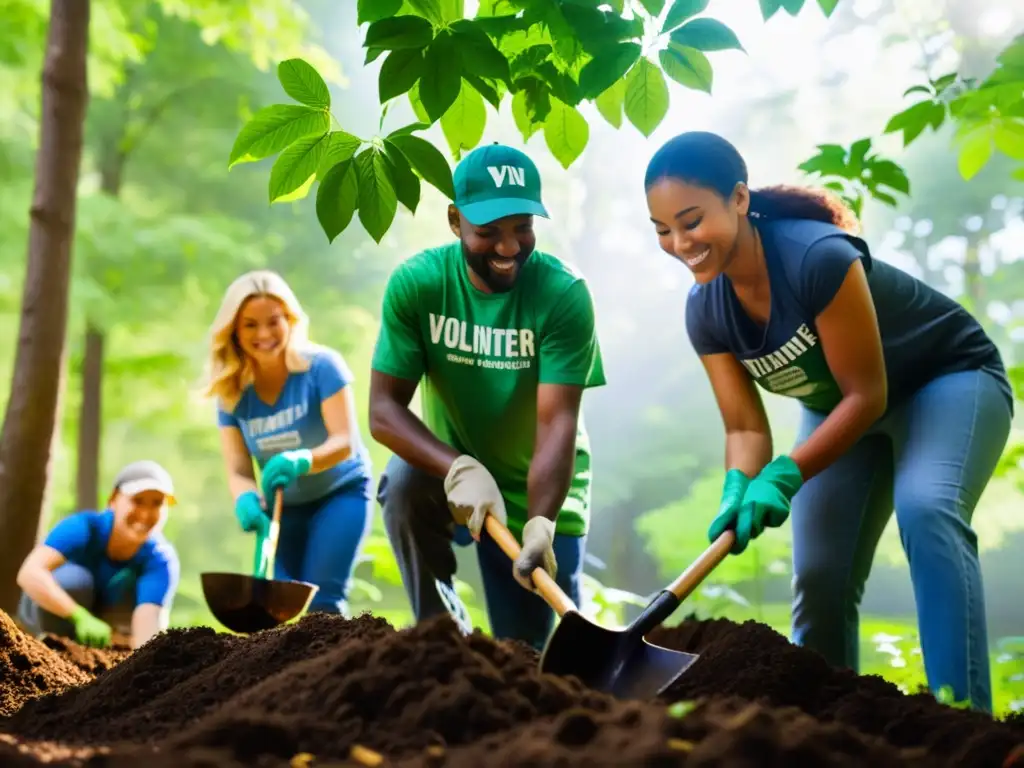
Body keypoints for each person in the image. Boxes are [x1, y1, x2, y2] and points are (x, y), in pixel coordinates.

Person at [643, 130, 1013, 712]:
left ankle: (963, 720)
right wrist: (739, 487)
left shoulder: (818, 259)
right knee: (820, 575)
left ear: (739, 199)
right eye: (663, 230)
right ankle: (822, 726)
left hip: (946, 382)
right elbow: (745, 429)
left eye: (691, 221)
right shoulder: (706, 308)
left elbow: (867, 394)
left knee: (928, 508)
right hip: (839, 410)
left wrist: (786, 474)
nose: (680, 242)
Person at [369, 142, 606, 651]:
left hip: (539, 486)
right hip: (451, 477)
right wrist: (457, 467)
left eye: (522, 226)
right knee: (405, 482)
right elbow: (384, 412)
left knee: (533, 660)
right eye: (489, 232)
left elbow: (557, 425)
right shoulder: (421, 285)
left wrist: (541, 522)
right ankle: (440, 644)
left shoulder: (562, 295)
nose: (508, 247)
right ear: (455, 221)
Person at [206, 270, 374, 617]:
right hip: (283, 509)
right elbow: (238, 470)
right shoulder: (231, 393)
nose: (264, 333)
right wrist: (247, 500)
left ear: (290, 320)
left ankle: (333, 672)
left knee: (321, 603)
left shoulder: (322, 367)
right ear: (234, 331)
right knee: (277, 610)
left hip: (339, 494)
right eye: (250, 324)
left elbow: (346, 442)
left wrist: (301, 461)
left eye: (274, 321)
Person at [16, 460, 180, 650]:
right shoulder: (83, 528)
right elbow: (29, 573)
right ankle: (54, 648)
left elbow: (149, 620)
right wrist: (79, 616)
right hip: (45, 617)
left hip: (105, 631)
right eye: (137, 501)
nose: (145, 514)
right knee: (75, 580)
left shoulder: (160, 558)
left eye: (157, 504)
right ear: (113, 500)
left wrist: (147, 654)